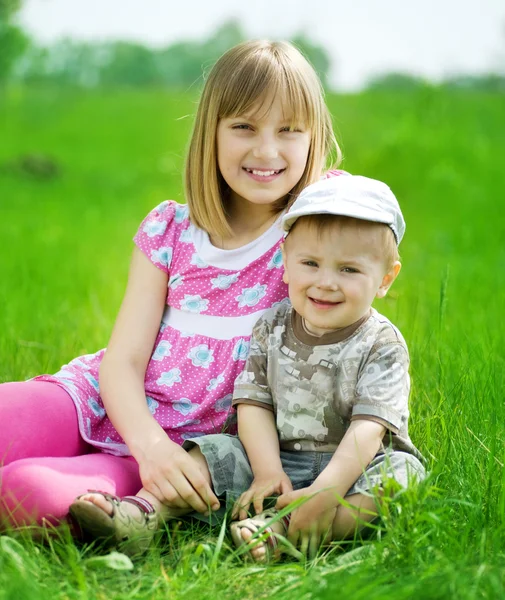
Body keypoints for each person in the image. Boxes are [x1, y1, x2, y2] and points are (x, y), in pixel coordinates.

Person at [0, 40, 342, 545]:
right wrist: (146, 443)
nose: (267, 150)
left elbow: (372, 237)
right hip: (109, 402)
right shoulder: (171, 229)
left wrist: (160, 458)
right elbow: (121, 362)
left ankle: (116, 493)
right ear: (212, 133)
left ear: (312, 139)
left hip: (190, 450)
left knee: (23, 491)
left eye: (289, 131)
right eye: (244, 127)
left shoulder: (312, 234)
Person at [186, 174, 426, 561]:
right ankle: (149, 511)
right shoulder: (271, 325)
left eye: (349, 270)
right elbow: (254, 404)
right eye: (310, 263)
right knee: (212, 450)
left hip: (352, 469)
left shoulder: (381, 343)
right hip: (278, 460)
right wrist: (265, 471)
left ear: (385, 279)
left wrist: (328, 489)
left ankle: (285, 530)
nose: (325, 282)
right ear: (285, 262)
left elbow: (368, 430)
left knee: (402, 476)